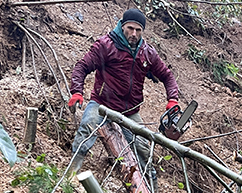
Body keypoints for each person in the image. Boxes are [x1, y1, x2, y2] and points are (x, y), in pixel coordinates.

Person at [68, 8, 179, 166]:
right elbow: (82, 66)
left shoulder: (147, 53)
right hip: (102, 104)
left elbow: (167, 75)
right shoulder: (106, 45)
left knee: (143, 151)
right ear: (122, 26)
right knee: (85, 133)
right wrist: (76, 92)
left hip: (130, 111)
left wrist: (172, 99)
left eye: (138, 30)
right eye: (130, 28)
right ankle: (70, 176)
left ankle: (150, 187)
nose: (134, 34)